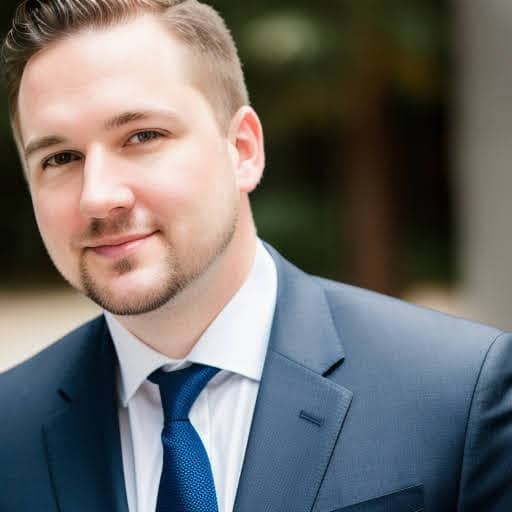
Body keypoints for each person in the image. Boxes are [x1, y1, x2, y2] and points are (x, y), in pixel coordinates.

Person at [1, 1, 512, 511]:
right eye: (60, 158)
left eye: (142, 136)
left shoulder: (459, 395)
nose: (97, 196)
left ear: (242, 149)